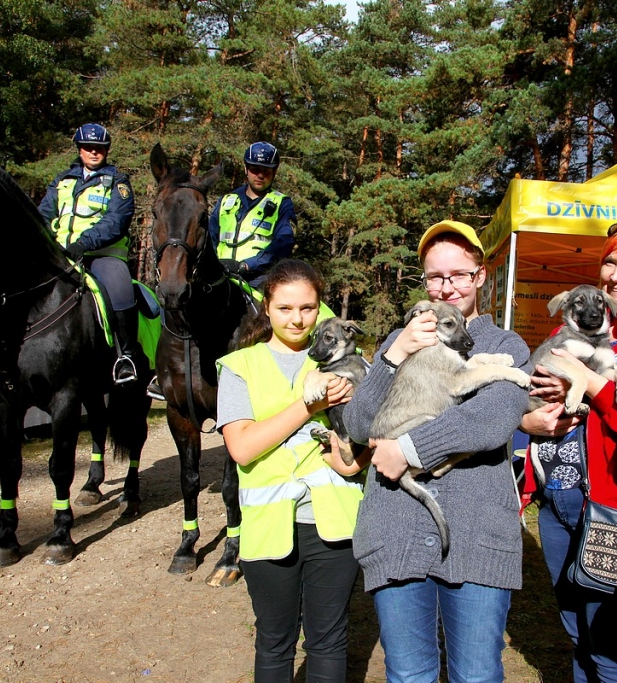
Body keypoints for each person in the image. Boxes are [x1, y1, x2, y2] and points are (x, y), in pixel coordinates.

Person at [342, 220, 530, 683]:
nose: (446, 287)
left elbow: (489, 421)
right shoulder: (397, 341)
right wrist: (392, 356)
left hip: (478, 535)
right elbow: (359, 424)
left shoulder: (506, 346)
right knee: (408, 675)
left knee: (477, 676)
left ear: (480, 276)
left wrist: (407, 449)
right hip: (398, 530)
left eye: (459, 275)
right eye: (434, 276)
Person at [520, 220, 617, 682]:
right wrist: (525, 421)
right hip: (558, 504)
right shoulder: (575, 328)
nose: (616, 275)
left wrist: (593, 386)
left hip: (616, 507)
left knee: (612, 643)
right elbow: (530, 398)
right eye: (611, 261)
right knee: (577, 633)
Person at [215, 258, 366, 683]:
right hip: (268, 526)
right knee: (275, 640)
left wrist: (356, 459)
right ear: (267, 308)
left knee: (329, 640)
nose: (297, 319)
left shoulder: (344, 359)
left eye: (307, 308)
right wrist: (309, 406)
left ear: (321, 309)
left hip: (335, 523)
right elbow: (242, 448)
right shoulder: (239, 366)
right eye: (285, 308)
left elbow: (369, 436)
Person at [39, 122, 139, 384]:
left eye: (99, 148)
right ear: (79, 149)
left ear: (106, 150)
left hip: (101, 256)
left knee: (120, 289)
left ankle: (125, 356)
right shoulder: (61, 181)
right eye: (88, 148)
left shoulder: (118, 181)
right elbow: (44, 215)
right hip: (59, 254)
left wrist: (84, 243)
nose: (94, 152)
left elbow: (117, 220)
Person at [209, 141, 296, 288]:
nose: (260, 175)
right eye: (255, 169)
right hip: (219, 274)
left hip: (259, 278)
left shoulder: (282, 203)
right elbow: (210, 238)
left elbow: (283, 244)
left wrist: (246, 265)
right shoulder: (226, 201)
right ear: (246, 169)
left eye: (266, 171)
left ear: (274, 172)